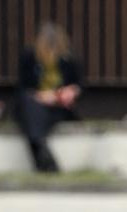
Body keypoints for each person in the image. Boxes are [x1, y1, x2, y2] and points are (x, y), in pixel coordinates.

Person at [16, 23, 81, 172]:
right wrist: (41, 96)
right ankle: (44, 153)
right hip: (34, 105)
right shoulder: (28, 57)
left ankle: (41, 151)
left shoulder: (68, 59)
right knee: (30, 105)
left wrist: (71, 91)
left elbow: (79, 85)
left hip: (58, 108)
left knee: (32, 118)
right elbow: (22, 87)